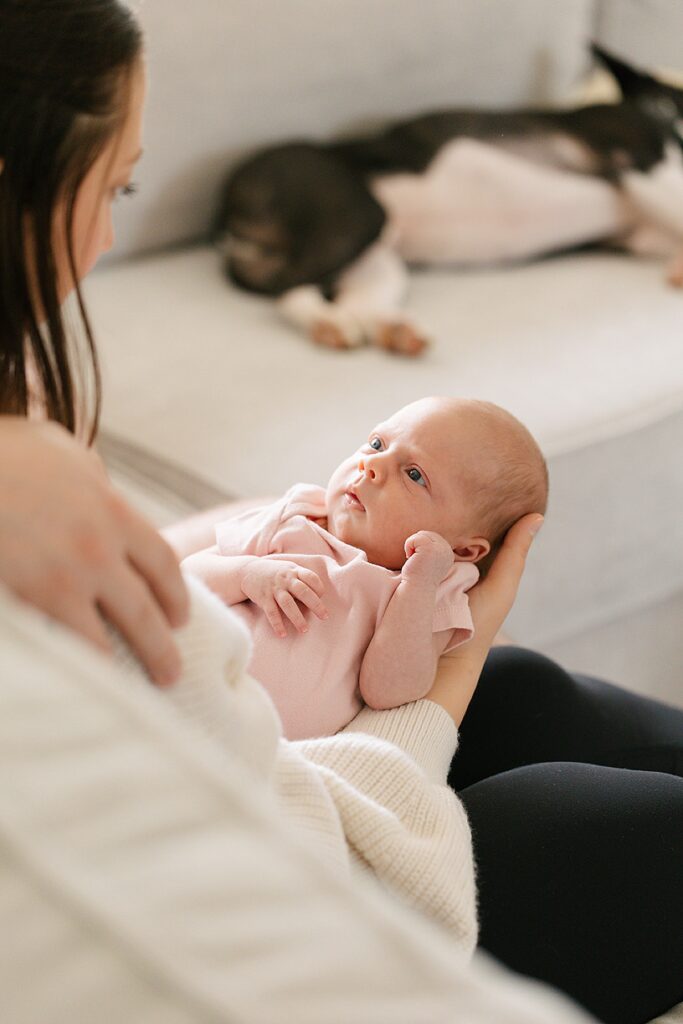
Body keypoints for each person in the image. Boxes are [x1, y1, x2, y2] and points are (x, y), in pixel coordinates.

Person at [0, 4, 681, 1023]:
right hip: (304, 838)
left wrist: (223, 535)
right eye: (116, 187)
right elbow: (300, 848)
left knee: (526, 687)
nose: (104, 238)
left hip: (285, 747)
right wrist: (439, 681)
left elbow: (183, 585)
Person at [183, 396, 547, 739]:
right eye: (377, 444)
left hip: (263, 750)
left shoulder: (433, 591)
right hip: (181, 678)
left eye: (414, 475)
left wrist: (418, 586)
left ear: (463, 550)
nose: (371, 466)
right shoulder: (297, 515)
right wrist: (245, 575)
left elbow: (389, 691)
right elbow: (185, 579)